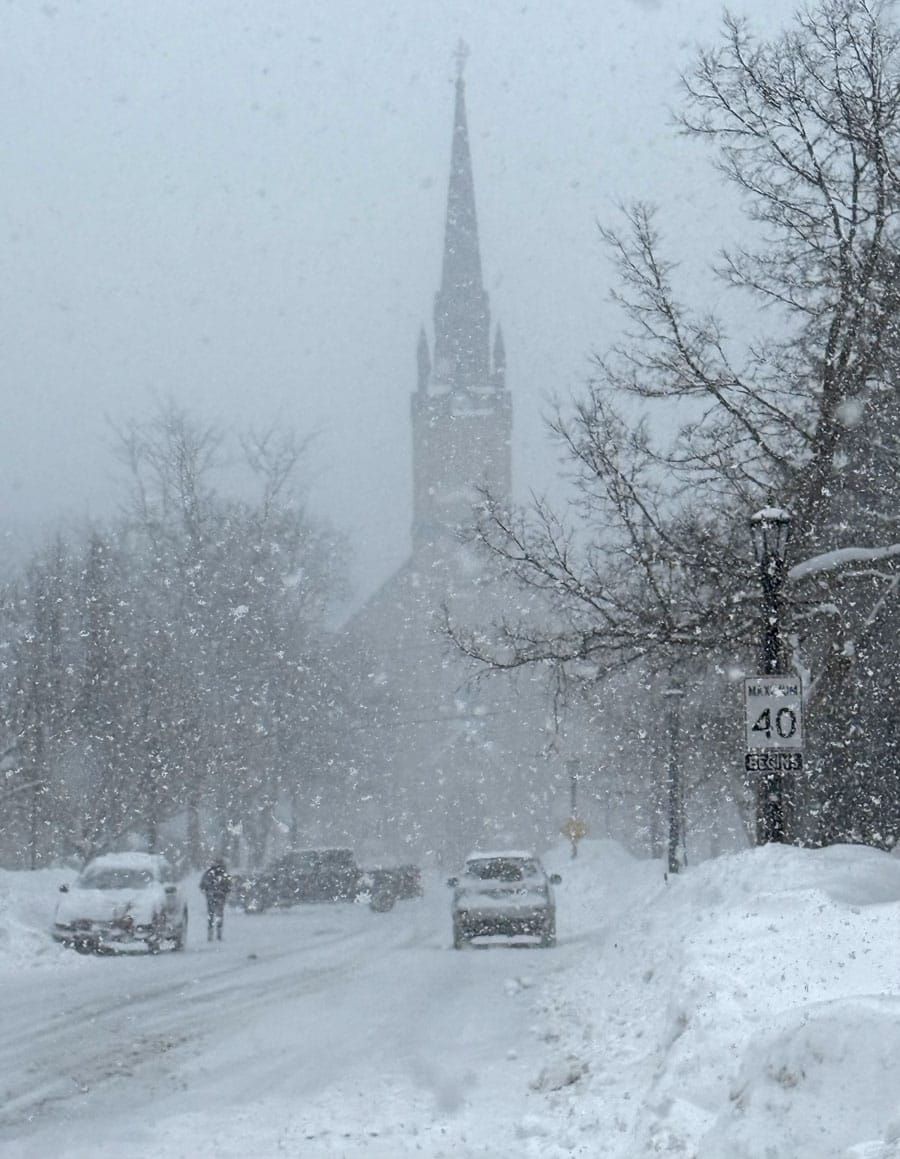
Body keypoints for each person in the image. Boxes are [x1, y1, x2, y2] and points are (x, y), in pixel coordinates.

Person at [200, 859, 233, 942]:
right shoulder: (223, 874)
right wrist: (224, 892)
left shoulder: (208, 873)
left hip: (211, 897)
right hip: (220, 897)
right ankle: (218, 934)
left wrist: (207, 892)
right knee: (219, 915)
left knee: (211, 915)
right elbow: (228, 886)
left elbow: (202, 885)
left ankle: (211, 934)